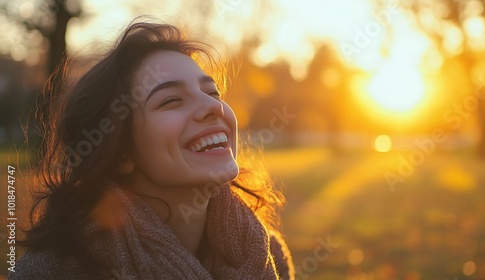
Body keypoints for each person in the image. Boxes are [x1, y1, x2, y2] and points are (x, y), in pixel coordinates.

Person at [10, 18, 294, 280]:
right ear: (121, 153)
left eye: (212, 92)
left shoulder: (268, 255)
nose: (213, 107)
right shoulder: (52, 272)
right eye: (171, 100)